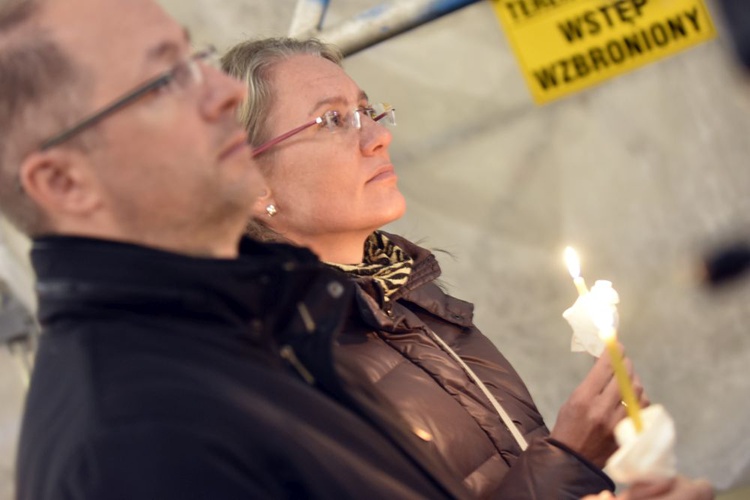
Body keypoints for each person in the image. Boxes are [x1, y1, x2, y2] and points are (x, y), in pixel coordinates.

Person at [5, 1, 474, 498]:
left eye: (195, 61)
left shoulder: (269, 315)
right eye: (165, 80)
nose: (226, 93)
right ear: (64, 182)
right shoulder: (131, 444)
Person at [221, 37, 650, 499]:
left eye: (367, 111)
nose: (378, 136)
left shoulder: (409, 294)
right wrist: (572, 456)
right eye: (332, 120)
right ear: (253, 184)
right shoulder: (283, 362)